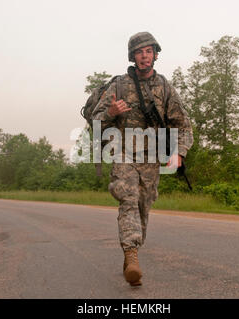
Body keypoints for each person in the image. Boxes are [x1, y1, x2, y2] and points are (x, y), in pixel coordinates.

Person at [92, 32, 193, 286]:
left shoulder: (164, 86)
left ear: (155, 54)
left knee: (143, 207)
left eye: (148, 51)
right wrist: (111, 112)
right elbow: (95, 121)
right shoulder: (118, 85)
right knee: (128, 198)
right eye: (139, 52)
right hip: (123, 152)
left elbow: (182, 124)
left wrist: (179, 152)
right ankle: (131, 252)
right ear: (132, 56)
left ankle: (131, 253)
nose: (144, 56)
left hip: (151, 158)